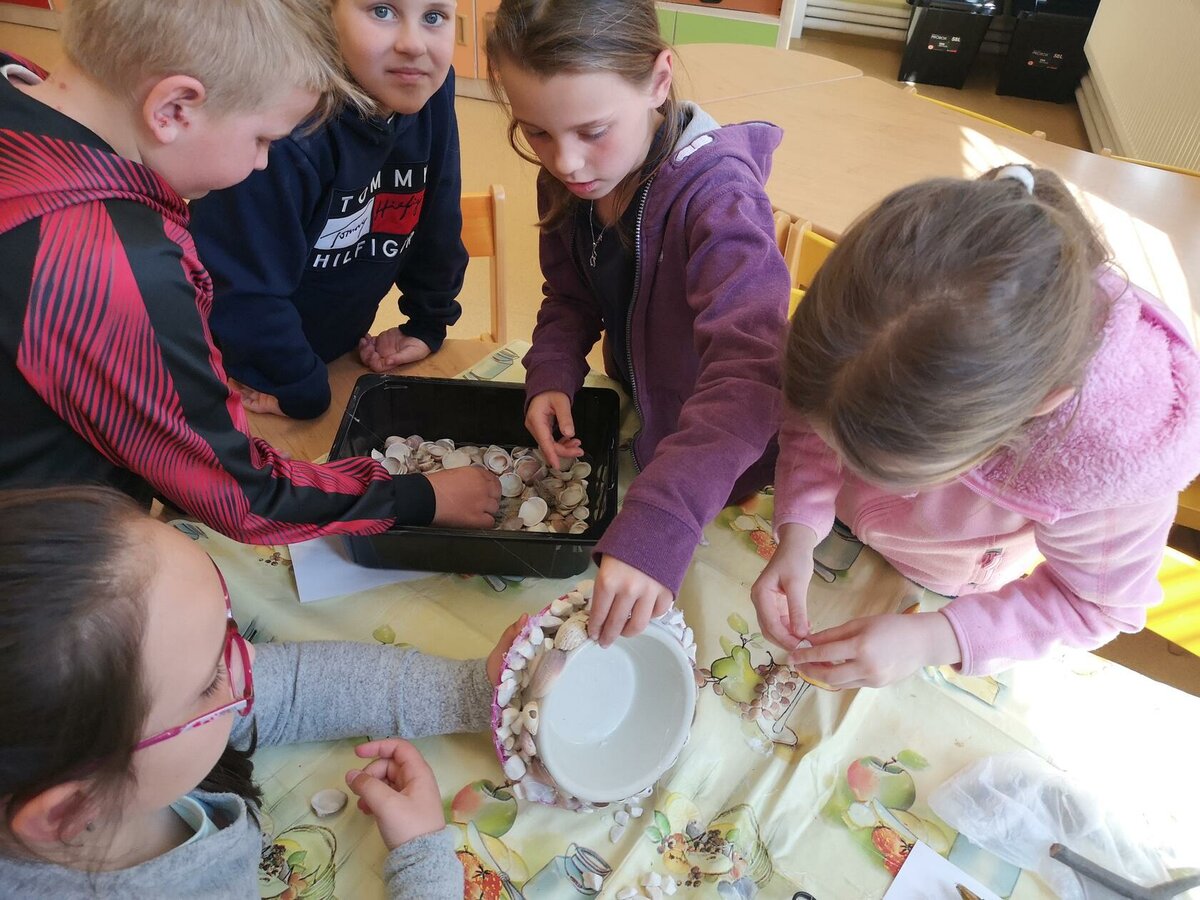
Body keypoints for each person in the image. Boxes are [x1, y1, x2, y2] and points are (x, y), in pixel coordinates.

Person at [0, 0, 500, 543]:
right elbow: (241, 495)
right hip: (55, 548)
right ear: (173, 110)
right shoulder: (121, 269)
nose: (263, 162)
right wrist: (418, 497)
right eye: (262, 139)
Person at [752, 165, 1200, 689]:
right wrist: (800, 527)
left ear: (1035, 411)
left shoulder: (1111, 463)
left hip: (950, 587)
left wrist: (934, 639)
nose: (846, 461)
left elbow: (1092, 607)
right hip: (845, 534)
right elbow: (816, 410)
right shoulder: (866, 322)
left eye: (882, 465)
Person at [0, 485, 522, 897]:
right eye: (212, 680)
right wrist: (423, 862)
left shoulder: (95, 729)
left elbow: (292, 687)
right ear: (70, 811)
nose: (252, 658)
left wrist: (472, 691)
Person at [486, 0, 791, 645]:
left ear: (659, 80)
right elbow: (571, 296)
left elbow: (751, 375)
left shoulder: (721, 199)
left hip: (726, 470)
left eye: (593, 131)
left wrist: (664, 518)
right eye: (536, 133)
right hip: (641, 424)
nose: (566, 163)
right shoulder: (573, 178)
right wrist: (553, 369)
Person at [190, 0, 468, 421]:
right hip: (240, 378)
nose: (414, 45)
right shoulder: (285, 129)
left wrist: (428, 321)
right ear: (324, 11)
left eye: (434, 16)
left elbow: (437, 212)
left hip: (324, 361)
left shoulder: (429, 89)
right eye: (382, 11)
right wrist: (298, 386)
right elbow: (240, 284)